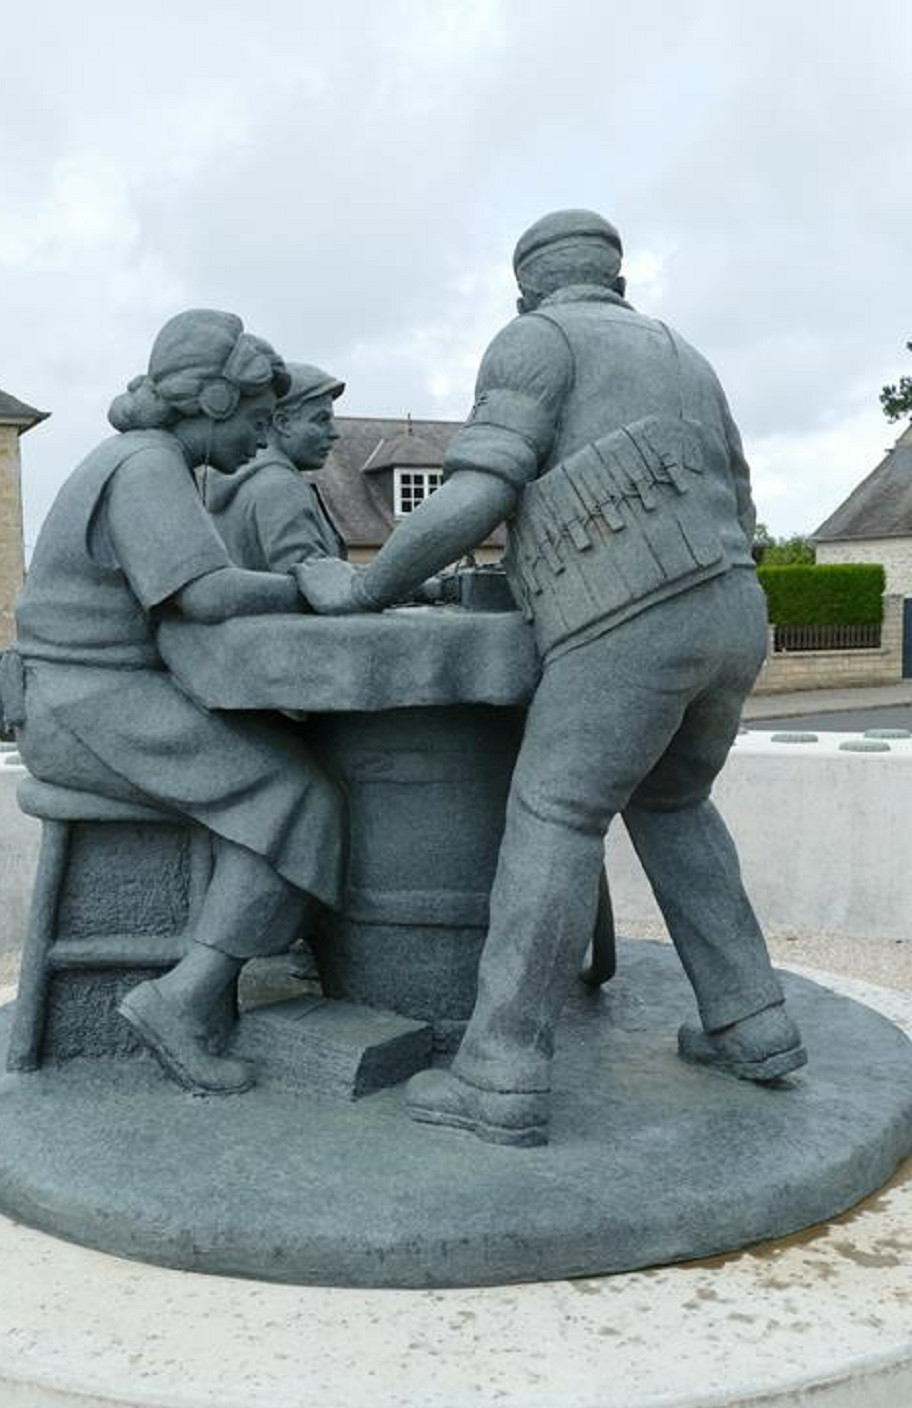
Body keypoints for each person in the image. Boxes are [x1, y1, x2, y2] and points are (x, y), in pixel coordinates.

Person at [296, 210, 806, 1147]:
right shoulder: (687, 353)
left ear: (525, 284)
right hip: (734, 608)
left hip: (631, 611)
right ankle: (753, 1024)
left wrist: (366, 586)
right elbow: (740, 498)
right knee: (676, 805)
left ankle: (499, 1074)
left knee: (556, 818)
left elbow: (482, 491)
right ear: (618, 277)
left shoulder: (534, 341)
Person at [11, 310, 343, 1094]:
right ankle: (181, 1000)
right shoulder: (147, 465)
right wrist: (317, 586)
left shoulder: (149, 461)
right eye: (259, 420)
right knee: (298, 794)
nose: (263, 442)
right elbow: (203, 593)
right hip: (85, 707)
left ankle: (233, 966)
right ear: (218, 402)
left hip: (88, 696)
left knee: (280, 766)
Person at [204, 362, 346, 571]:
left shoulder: (235, 480)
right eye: (321, 420)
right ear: (282, 423)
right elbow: (314, 583)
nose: (334, 433)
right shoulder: (282, 487)